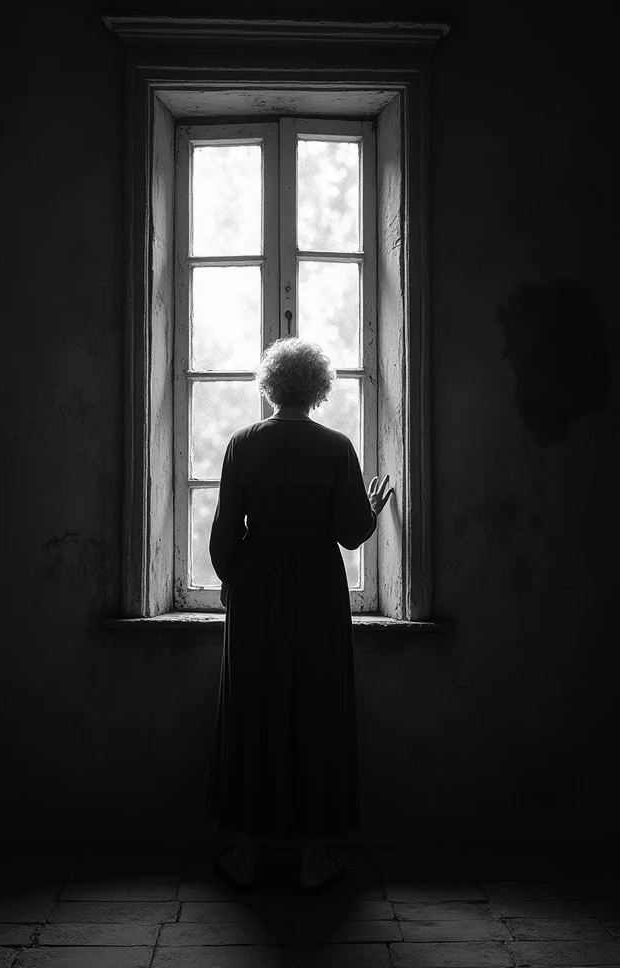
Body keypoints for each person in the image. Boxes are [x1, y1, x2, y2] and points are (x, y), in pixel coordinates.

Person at [205, 336, 393, 894]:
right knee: (318, 707)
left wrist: (233, 580)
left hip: (256, 585)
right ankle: (314, 858)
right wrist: (375, 509)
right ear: (318, 387)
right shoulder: (336, 447)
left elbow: (222, 536)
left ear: (270, 384)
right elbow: (349, 533)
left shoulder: (241, 443)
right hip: (316, 586)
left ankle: (243, 854)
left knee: (251, 708)